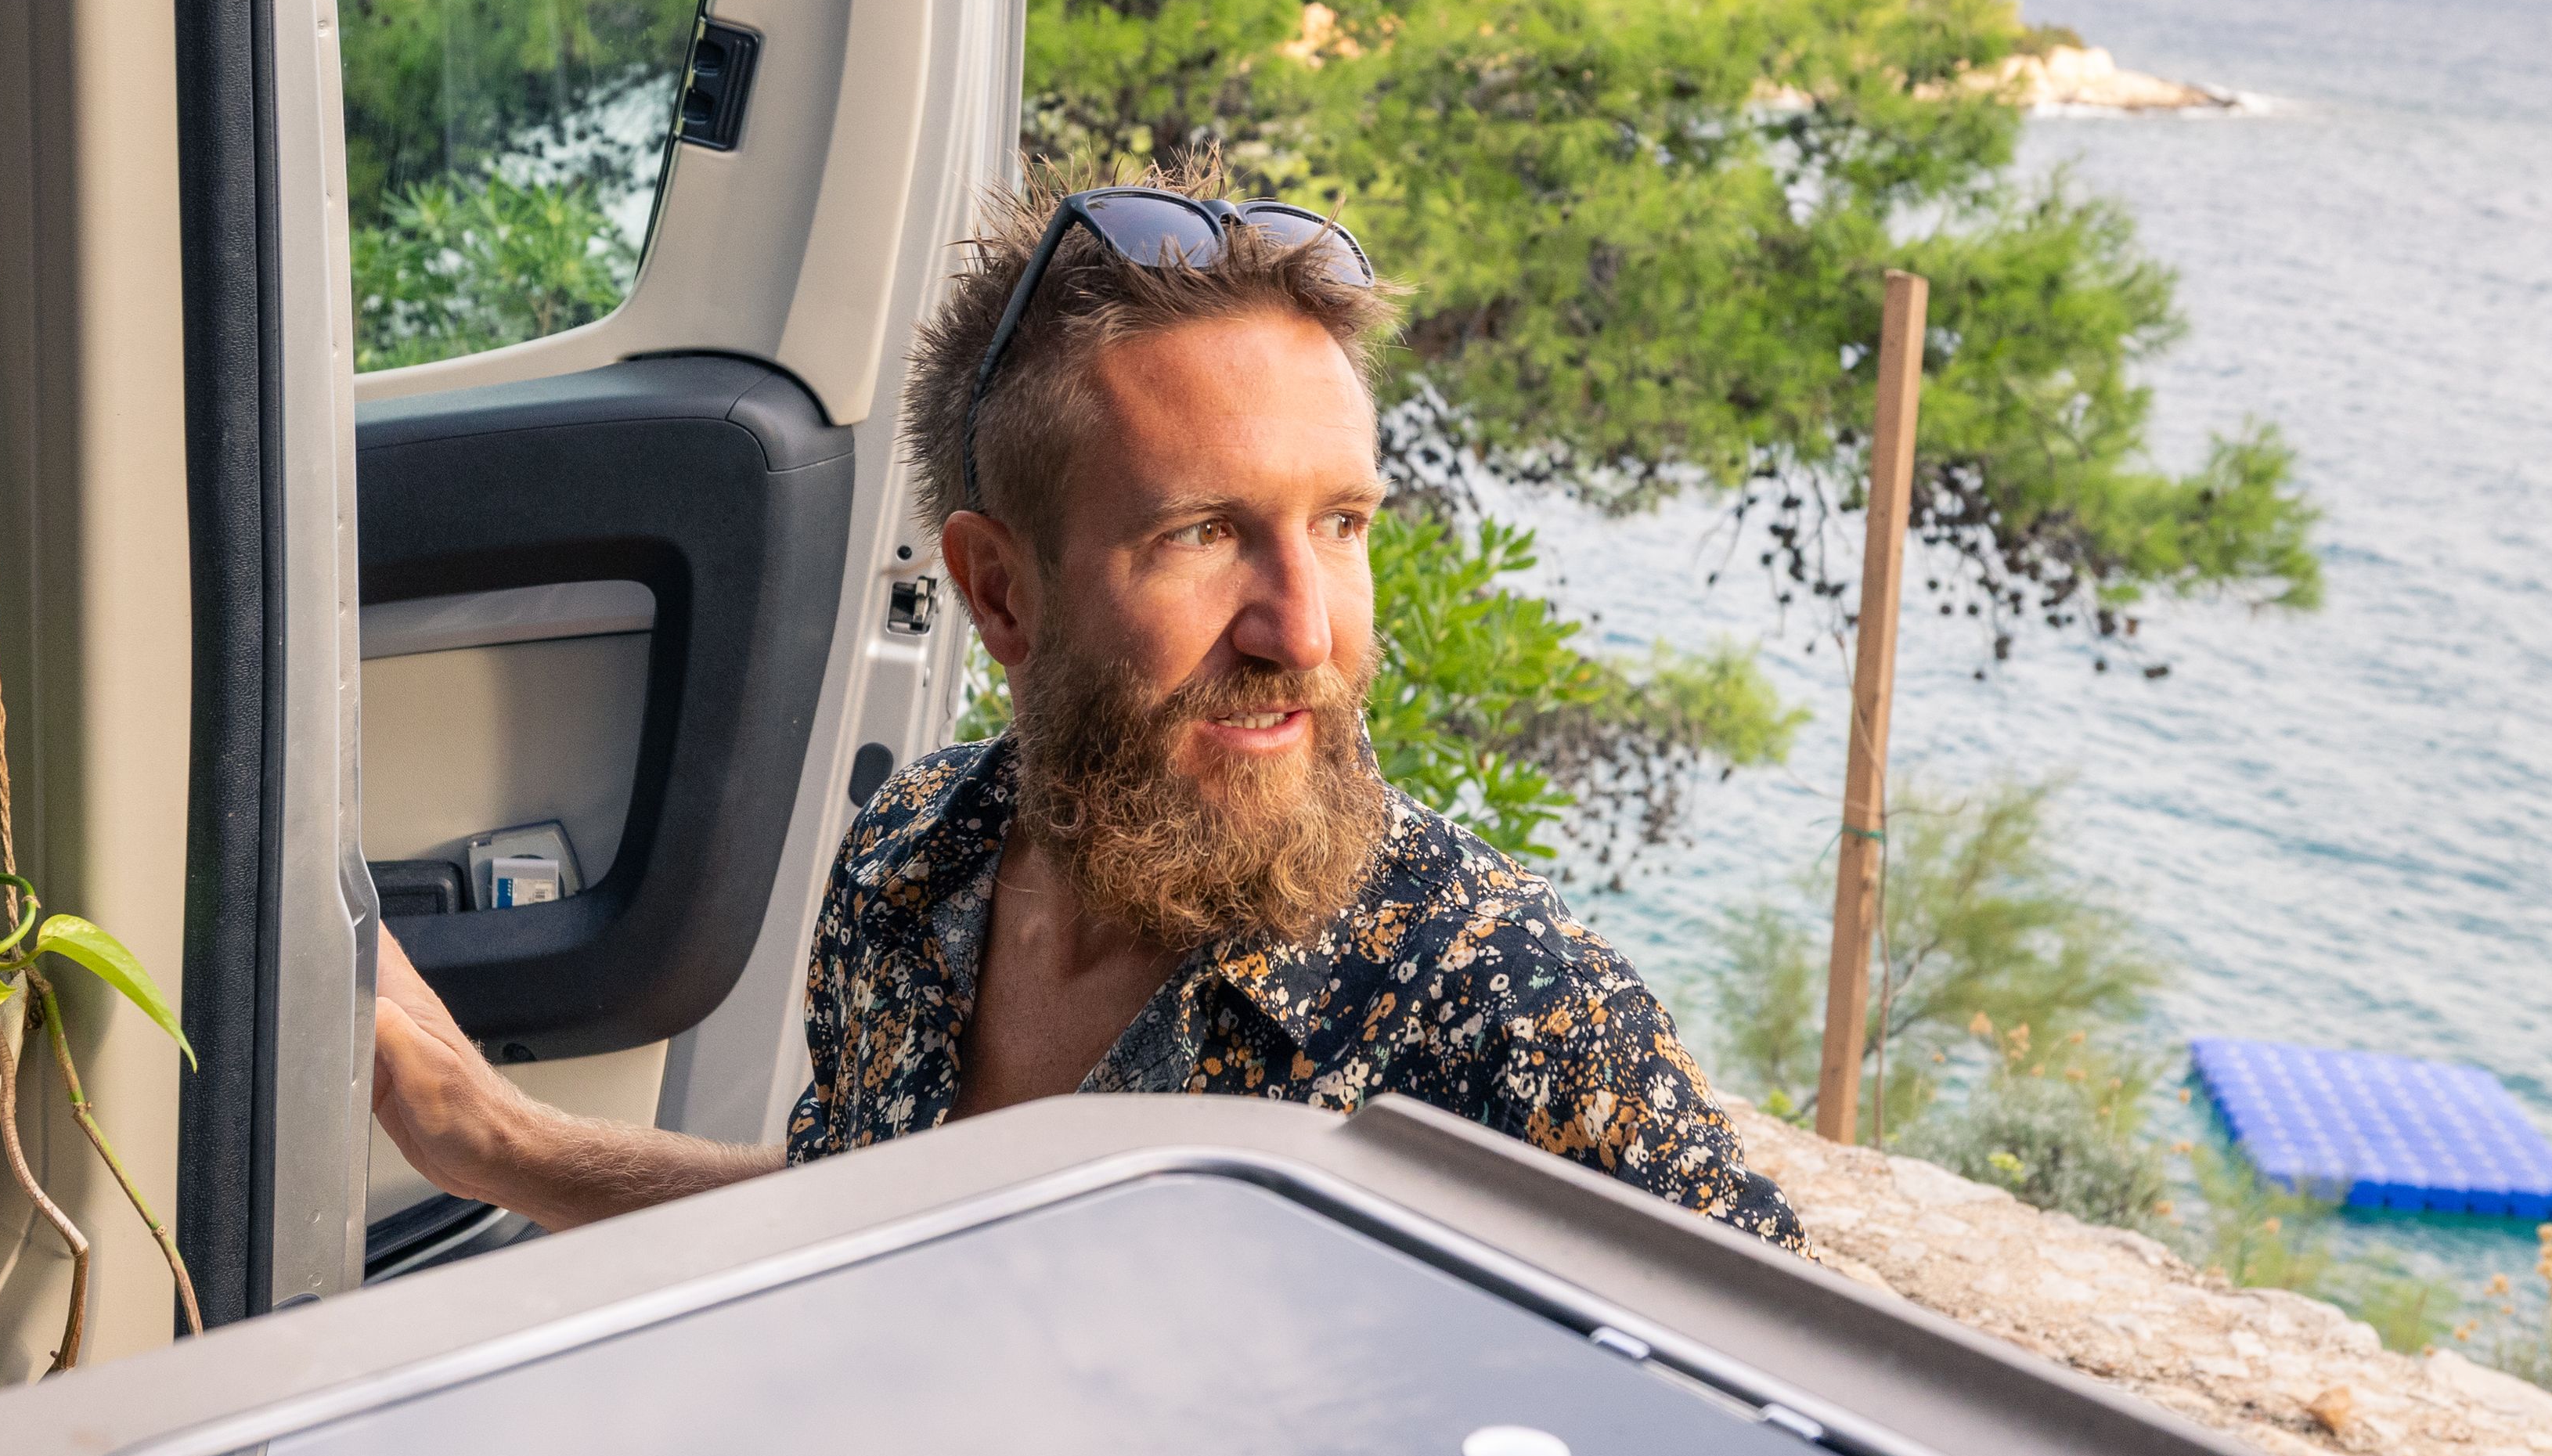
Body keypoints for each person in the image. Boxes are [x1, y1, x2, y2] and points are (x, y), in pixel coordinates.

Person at [370, 175, 1800, 1247]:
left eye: (1343, 525)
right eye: (1200, 535)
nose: (1304, 628)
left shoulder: (1509, 1019)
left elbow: (1784, 1454)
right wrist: (493, 1141)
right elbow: (861, 1229)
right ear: (999, 593)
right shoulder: (919, 859)